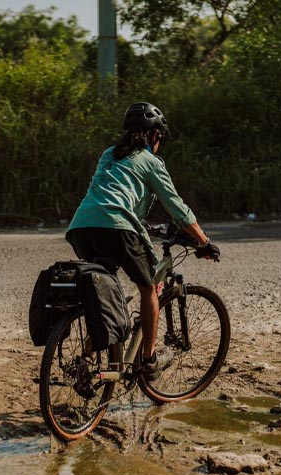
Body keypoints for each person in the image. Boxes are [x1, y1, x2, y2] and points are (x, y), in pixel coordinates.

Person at [66, 101, 220, 380]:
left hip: (82, 227)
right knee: (149, 289)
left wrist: (140, 223)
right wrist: (202, 241)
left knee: (106, 296)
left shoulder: (108, 154)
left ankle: (87, 359)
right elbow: (177, 207)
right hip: (118, 228)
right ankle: (148, 361)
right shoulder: (151, 161)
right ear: (154, 136)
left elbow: (112, 193)